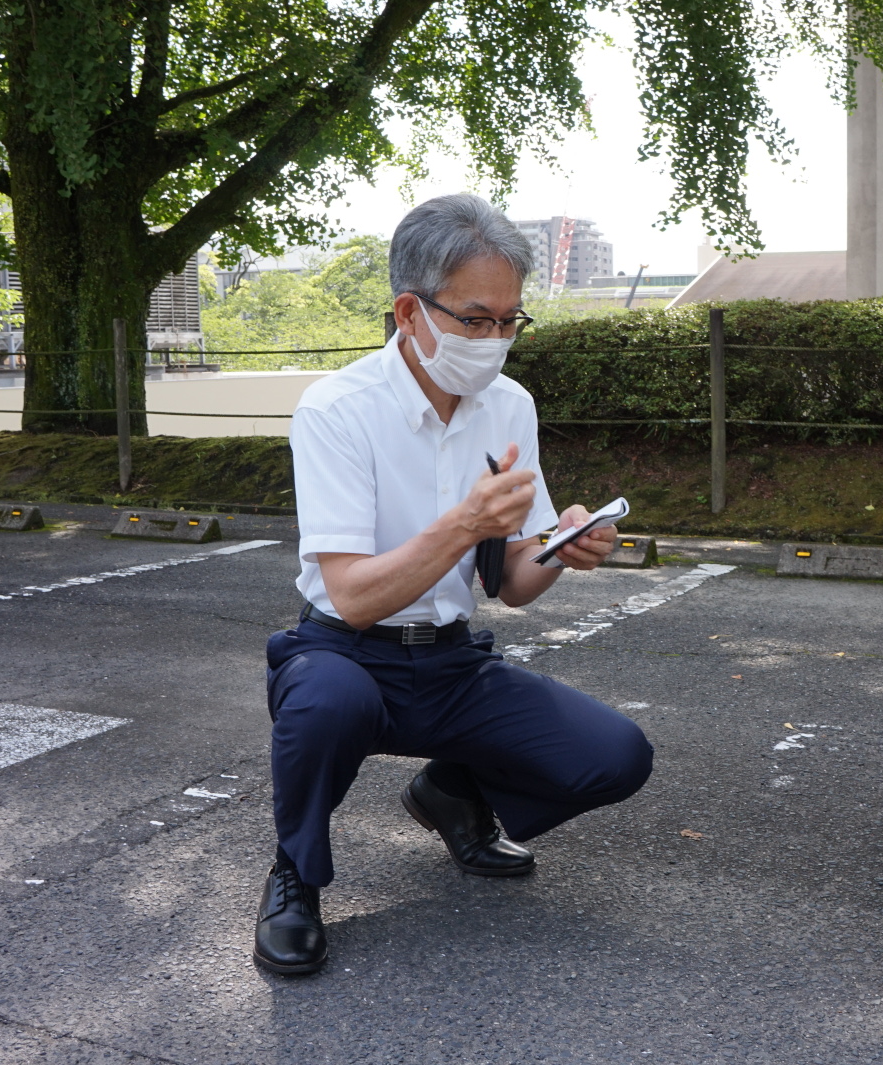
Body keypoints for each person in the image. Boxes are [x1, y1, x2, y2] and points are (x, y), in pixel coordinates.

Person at [253, 194, 654, 975]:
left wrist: (565, 545)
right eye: (475, 319)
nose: (495, 339)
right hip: (345, 651)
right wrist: (465, 525)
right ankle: (296, 874)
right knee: (325, 705)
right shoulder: (337, 410)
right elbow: (353, 596)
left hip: (451, 661)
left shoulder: (509, 405)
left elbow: (510, 582)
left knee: (617, 754)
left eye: (511, 320)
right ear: (411, 310)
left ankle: (452, 791)